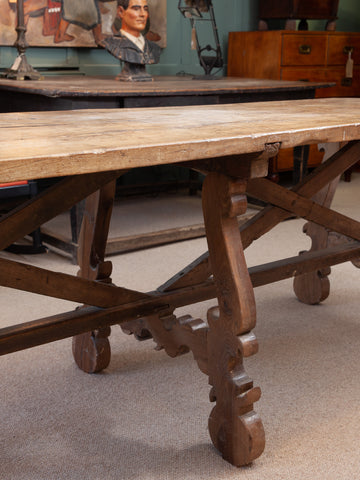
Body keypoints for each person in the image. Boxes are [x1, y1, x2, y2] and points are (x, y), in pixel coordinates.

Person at [102, 0, 161, 80]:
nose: (143, 14)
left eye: (145, 9)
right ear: (121, 12)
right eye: (136, 9)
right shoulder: (111, 43)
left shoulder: (154, 48)